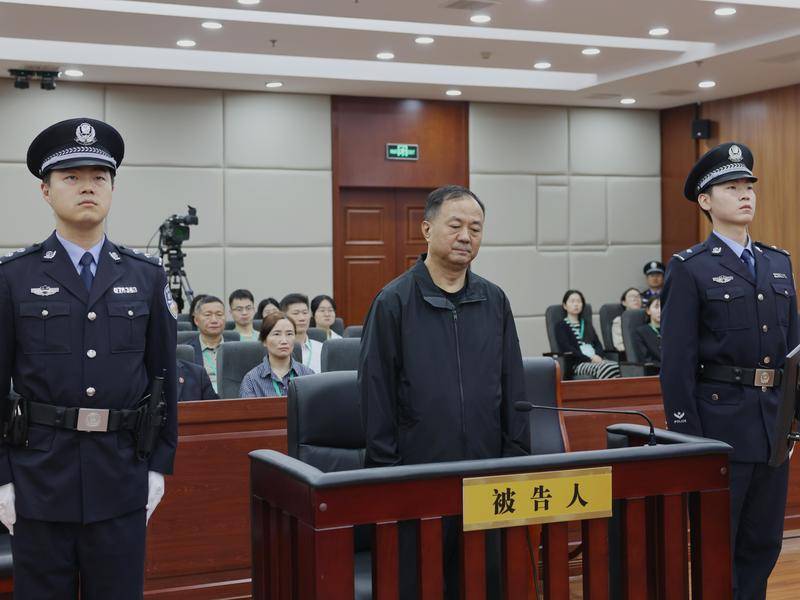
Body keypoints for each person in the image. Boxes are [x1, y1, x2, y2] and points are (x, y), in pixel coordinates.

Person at [0, 118, 177, 598]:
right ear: (45, 191)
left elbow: (164, 376)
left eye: (99, 177)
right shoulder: (14, 277)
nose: (87, 187)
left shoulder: (145, 276)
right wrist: (1, 479)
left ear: (113, 189)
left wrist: (159, 464)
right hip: (39, 477)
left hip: (121, 473)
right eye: (71, 177)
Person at [359, 184, 530, 599]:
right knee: (420, 585)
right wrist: (389, 474)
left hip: (487, 478)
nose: (465, 236)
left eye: (476, 228)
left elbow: (513, 387)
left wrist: (514, 461)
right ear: (426, 229)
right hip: (417, 480)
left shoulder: (494, 300)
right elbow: (376, 393)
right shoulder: (393, 302)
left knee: (483, 585)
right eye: (455, 226)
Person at [661, 142, 798, 600]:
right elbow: (676, 365)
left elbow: (794, 353)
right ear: (705, 200)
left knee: (763, 545)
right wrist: (689, 442)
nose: (745, 195)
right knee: (718, 545)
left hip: (772, 429)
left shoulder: (778, 263)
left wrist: (793, 423)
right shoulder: (690, 268)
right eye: (731, 188)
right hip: (720, 429)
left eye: (748, 187)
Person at [239, 312, 314, 398]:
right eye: (277, 334)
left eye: (289, 334)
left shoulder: (308, 375)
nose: (284, 341)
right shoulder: (251, 380)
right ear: (264, 341)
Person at [556, 290, 621, 379]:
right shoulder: (561, 326)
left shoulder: (586, 324)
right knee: (607, 368)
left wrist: (598, 356)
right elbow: (567, 348)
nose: (576, 304)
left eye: (579, 301)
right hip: (577, 363)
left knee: (617, 367)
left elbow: (597, 344)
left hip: (596, 360)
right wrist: (589, 359)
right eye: (572, 301)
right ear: (565, 305)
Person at [187, 295, 227, 393]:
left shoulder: (237, 350)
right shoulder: (187, 351)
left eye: (219, 314)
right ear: (196, 320)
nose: (214, 320)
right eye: (208, 315)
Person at [280, 293, 323, 373]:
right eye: (296, 313)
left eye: (305, 313)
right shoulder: (277, 349)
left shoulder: (321, 349)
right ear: (283, 317)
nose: (302, 318)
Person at [611, 286, 643, 352]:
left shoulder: (649, 318)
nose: (635, 299)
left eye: (638, 296)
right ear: (624, 302)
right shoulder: (619, 321)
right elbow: (620, 346)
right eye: (631, 296)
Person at [632, 295, 661, 364]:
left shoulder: (673, 330)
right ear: (648, 311)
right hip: (656, 368)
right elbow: (646, 360)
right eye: (656, 307)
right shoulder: (641, 332)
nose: (660, 310)